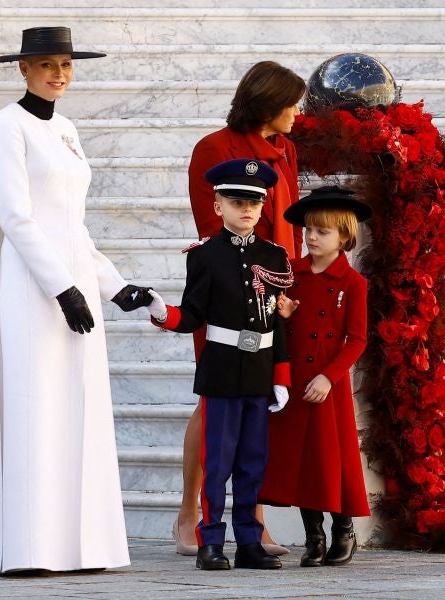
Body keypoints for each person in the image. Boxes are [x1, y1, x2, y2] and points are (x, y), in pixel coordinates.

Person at [0, 27, 152, 575]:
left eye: (66, 64)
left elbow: (72, 225)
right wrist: (62, 287)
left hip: (73, 284)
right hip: (31, 288)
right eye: (47, 64)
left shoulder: (68, 128)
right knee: (36, 408)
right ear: (22, 69)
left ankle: (81, 545)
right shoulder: (7, 127)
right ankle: (29, 548)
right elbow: (17, 218)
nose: (59, 74)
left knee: (78, 410)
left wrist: (111, 284)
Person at [174, 60, 306, 556]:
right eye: (291, 103)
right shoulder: (214, 148)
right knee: (214, 402)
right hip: (226, 295)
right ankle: (189, 515)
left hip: (276, 297)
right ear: (269, 103)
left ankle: (252, 522)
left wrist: (285, 288)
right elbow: (211, 232)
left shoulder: (286, 148)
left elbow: (287, 225)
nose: (297, 112)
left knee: (256, 404)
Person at [148, 158, 293, 571]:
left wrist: (280, 376)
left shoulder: (275, 255)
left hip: (261, 371)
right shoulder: (206, 256)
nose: (246, 208)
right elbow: (193, 315)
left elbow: (278, 321)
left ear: (264, 206)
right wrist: (163, 313)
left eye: (254, 201)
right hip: (222, 370)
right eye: (236, 200)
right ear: (217, 207)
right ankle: (210, 541)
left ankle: (249, 542)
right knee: (217, 463)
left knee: (252, 462)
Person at [258, 186, 372, 567]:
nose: (311, 237)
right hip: (295, 380)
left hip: (328, 384)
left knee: (330, 457)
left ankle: (344, 530)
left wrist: (329, 377)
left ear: (343, 236)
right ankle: (314, 535)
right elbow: (276, 328)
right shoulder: (292, 275)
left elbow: (356, 340)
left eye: (321, 231)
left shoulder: (353, 283)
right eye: (308, 230)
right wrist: (283, 317)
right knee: (301, 460)